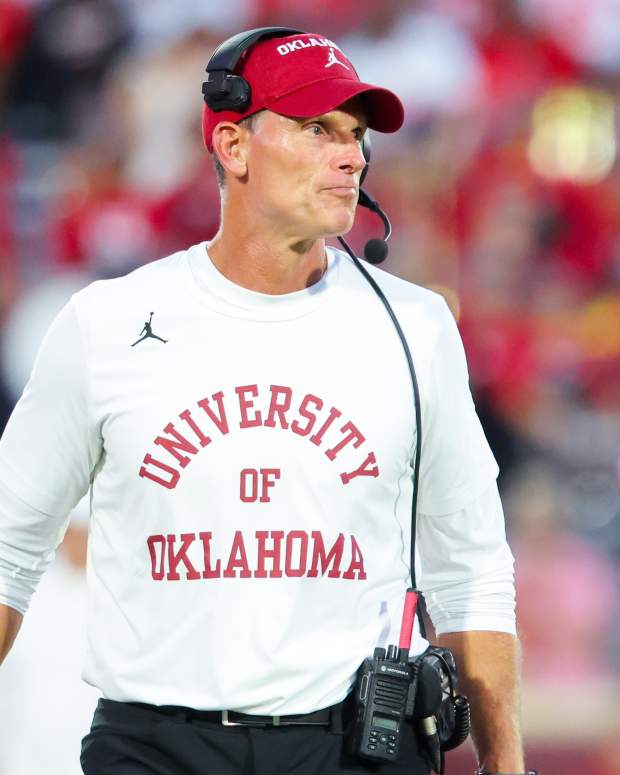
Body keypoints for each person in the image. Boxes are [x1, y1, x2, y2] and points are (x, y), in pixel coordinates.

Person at [0, 28, 530, 775]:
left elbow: (470, 570)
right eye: (316, 130)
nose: (350, 155)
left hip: (356, 746)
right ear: (233, 145)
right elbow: (9, 548)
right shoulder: (107, 323)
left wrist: (507, 769)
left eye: (354, 134)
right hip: (158, 747)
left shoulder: (417, 326)